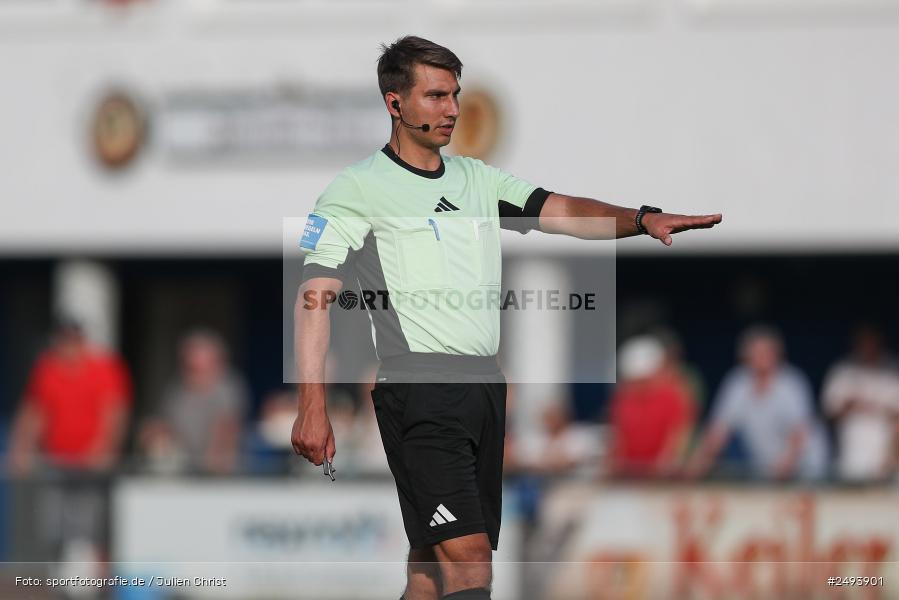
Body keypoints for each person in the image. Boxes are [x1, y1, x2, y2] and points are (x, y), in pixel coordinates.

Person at [291, 36, 722, 600]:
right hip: (420, 389)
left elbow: (563, 211)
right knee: (470, 564)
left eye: (456, 95)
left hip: (482, 390)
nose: (452, 109)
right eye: (436, 96)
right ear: (395, 104)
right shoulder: (355, 189)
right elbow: (313, 297)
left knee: (428, 571)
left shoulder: (478, 180)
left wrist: (640, 218)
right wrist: (312, 404)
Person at [7, 316, 132, 561]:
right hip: (57, 461)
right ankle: (60, 582)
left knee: (95, 526)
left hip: (91, 467)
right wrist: (21, 448)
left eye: (74, 340)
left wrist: (104, 448)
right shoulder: (48, 368)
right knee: (55, 525)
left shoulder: (103, 367)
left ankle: (98, 584)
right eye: (64, 340)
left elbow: (115, 412)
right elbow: (34, 411)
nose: (69, 346)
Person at [686, 325, 828, 481]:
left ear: (777, 354)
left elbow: (800, 433)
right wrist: (696, 466)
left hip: (807, 470)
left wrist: (784, 467)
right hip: (769, 471)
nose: (762, 358)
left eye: (767, 352)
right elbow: (718, 432)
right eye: (756, 353)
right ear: (745, 356)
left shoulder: (792, 383)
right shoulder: (737, 383)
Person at [138, 329, 248, 475]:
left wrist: (212, 467)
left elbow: (226, 431)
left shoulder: (227, 389)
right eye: (189, 367)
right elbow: (166, 427)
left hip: (222, 475)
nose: (192, 373)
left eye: (199, 368)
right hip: (186, 470)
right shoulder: (176, 391)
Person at [607, 335, 694, 478]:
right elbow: (618, 436)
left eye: (641, 380)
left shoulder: (674, 395)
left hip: (660, 479)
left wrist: (663, 468)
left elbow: (679, 436)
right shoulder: (622, 398)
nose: (635, 385)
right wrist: (615, 465)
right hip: (628, 476)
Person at [822, 324, 899, 482]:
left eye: (872, 341)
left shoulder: (893, 370)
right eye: (863, 342)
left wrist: (892, 456)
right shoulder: (843, 371)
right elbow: (829, 413)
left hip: (886, 455)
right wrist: (851, 405)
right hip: (851, 453)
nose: (868, 347)